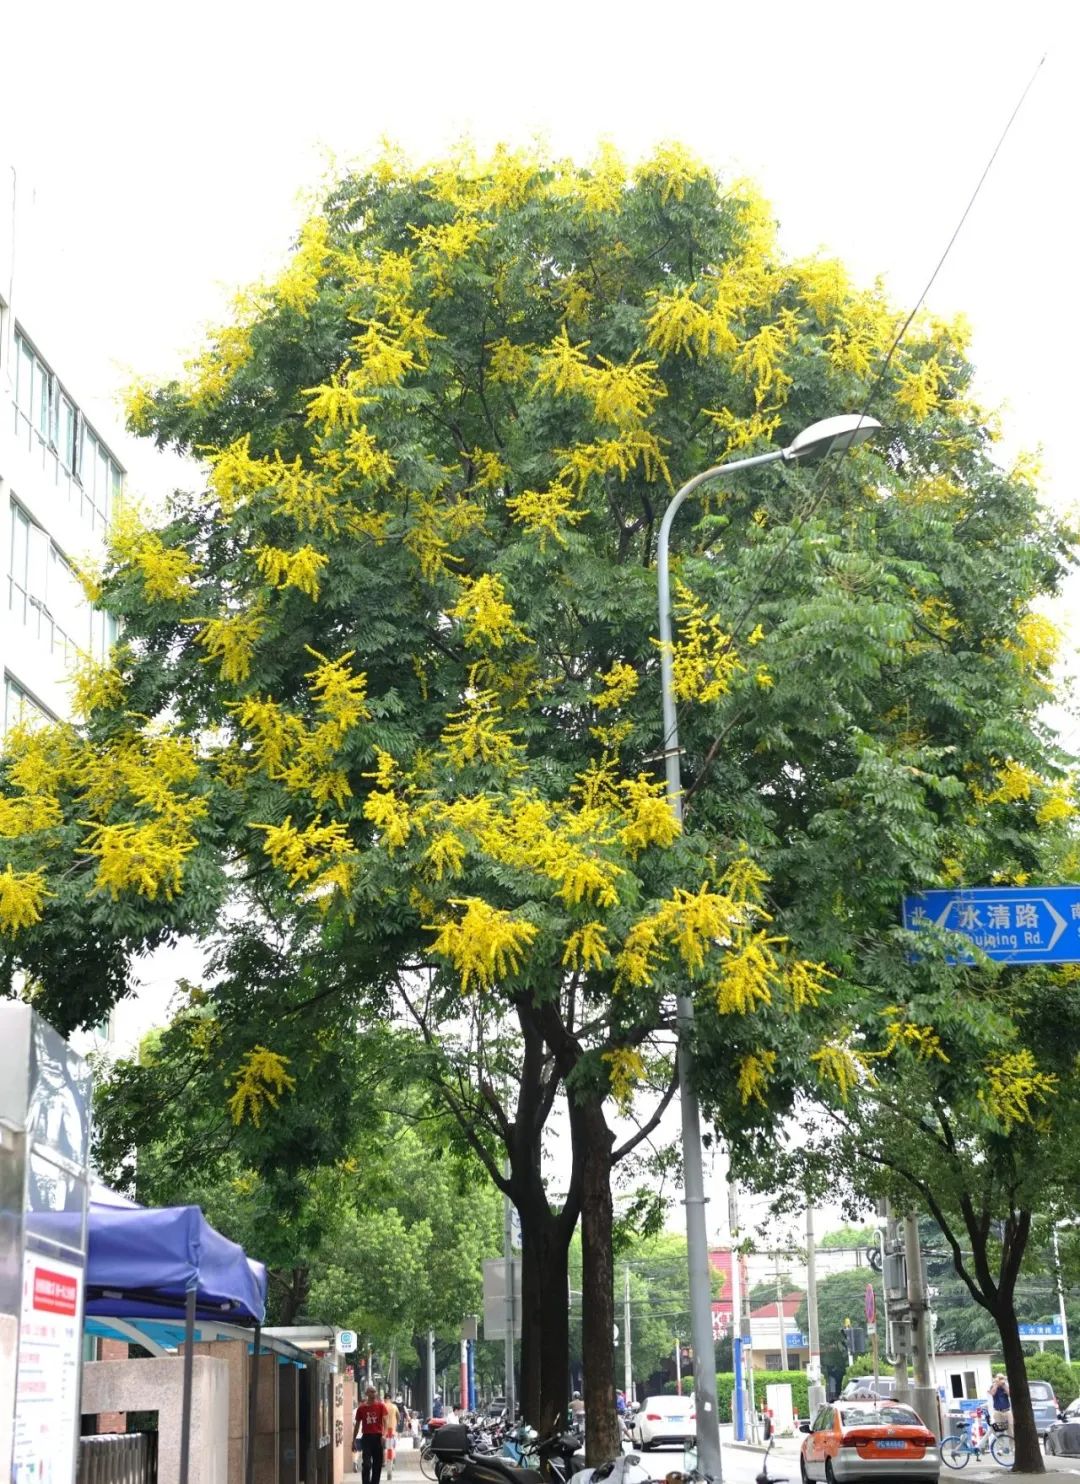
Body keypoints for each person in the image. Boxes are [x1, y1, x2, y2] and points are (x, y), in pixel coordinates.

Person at [353, 1384, 389, 1484]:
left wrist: (384, 1435)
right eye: (371, 1391)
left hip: (377, 1438)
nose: (373, 1393)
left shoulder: (381, 1406)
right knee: (367, 1464)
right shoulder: (362, 1408)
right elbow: (357, 1425)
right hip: (367, 1438)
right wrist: (353, 1440)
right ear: (366, 1394)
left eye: (374, 1391)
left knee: (377, 1465)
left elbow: (386, 1421)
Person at [383, 1392, 399, 1482]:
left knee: (385, 1448)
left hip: (384, 1431)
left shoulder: (382, 1406)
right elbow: (398, 1416)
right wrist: (396, 1423)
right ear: (390, 1398)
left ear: (385, 1398)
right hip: (392, 1430)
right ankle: (392, 1460)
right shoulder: (394, 1407)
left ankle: (385, 1462)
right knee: (392, 1447)